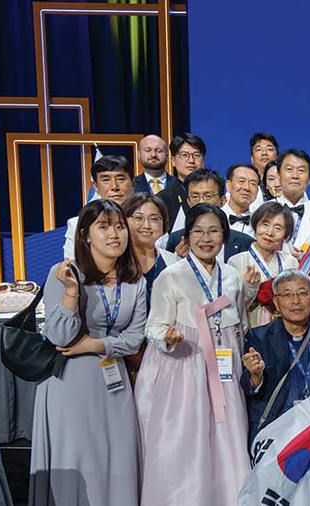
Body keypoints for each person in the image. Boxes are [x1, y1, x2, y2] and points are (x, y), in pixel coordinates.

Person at [135, 204, 251, 506]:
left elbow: (240, 322)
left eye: (213, 230)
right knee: (186, 440)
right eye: (198, 231)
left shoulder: (232, 276)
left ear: (224, 236)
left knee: (228, 437)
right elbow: (153, 326)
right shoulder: (172, 276)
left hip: (224, 369)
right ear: (187, 237)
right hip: (185, 367)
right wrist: (168, 337)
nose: (206, 237)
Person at [31, 199, 146, 506]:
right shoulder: (65, 274)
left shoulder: (135, 282)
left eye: (120, 227)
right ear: (84, 235)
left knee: (119, 459)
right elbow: (59, 336)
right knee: (79, 461)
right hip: (70, 384)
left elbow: (134, 339)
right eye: (104, 227)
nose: (114, 234)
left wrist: (96, 345)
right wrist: (71, 293)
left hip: (114, 383)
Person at [240, 269, 310, 505]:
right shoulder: (258, 337)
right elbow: (248, 389)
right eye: (287, 295)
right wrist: (255, 375)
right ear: (276, 302)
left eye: (302, 293)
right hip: (277, 433)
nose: (296, 301)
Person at [122, 193, 180, 381]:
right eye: (138, 218)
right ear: (124, 221)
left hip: (167, 358)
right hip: (125, 359)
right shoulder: (115, 264)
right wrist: (139, 361)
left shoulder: (174, 262)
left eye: (155, 219)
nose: (147, 225)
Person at [228, 202, 299, 327]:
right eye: (265, 225)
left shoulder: (290, 262)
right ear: (256, 225)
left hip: (284, 329)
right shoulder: (236, 262)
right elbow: (232, 308)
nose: (270, 233)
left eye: (278, 228)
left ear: (285, 234)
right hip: (251, 330)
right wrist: (249, 287)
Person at [165, 169, 254, 262]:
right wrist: (178, 260)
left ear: (222, 200)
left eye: (208, 196)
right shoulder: (176, 239)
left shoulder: (245, 242)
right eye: (195, 196)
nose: (201, 201)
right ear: (188, 201)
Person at [63, 155, 135, 258]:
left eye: (120, 179)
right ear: (95, 186)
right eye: (106, 180)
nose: (114, 187)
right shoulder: (78, 225)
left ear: (132, 183)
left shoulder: (148, 222)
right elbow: (71, 265)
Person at [275, 149, 310, 251]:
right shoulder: (264, 210)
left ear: (309, 179)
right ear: (278, 176)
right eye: (289, 169)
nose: (295, 176)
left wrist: (308, 258)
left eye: (301, 171)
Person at [157, 132, 206, 232]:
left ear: (203, 161)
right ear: (173, 160)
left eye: (196, 155)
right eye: (184, 155)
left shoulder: (214, 192)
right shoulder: (163, 198)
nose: (191, 160)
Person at [222, 163, 261, 237]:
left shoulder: (259, 224)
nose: (247, 187)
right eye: (241, 181)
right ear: (228, 186)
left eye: (253, 184)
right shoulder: (214, 218)